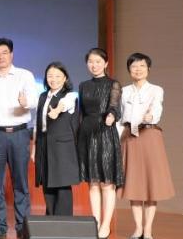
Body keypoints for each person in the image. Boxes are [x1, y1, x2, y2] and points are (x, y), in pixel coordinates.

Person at [0, 37, 38, 239]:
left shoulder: (25, 75)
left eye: (4, 52)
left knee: (20, 182)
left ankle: (22, 225)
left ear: (11, 54)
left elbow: (34, 100)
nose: (1, 57)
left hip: (19, 134)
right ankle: (0, 226)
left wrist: (25, 102)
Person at [119, 53, 174, 239]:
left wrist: (150, 116)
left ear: (148, 68)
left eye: (142, 66)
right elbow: (121, 117)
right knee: (134, 184)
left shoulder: (156, 90)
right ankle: (138, 228)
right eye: (134, 66)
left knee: (152, 185)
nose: (138, 69)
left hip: (150, 135)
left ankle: (148, 229)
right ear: (129, 70)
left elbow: (157, 109)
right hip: (130, 137)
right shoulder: (124, 91)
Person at [77, 48, 123, 239]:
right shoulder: (83, 85)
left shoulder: (113, 84)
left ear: (105, 63)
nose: (94, 65)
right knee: (93, 183)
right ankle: (95, 222)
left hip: (105, 132)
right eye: (90, 62)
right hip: (86, 134)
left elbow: (114, 106)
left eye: (97, 61)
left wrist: (111, 115)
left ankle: (106, 224)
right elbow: (80, 113)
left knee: (107, 183)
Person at [31, 62, 80, 216]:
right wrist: (34, 148)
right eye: (50, 76)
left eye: (58, 76)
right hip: (44, 143)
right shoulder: (43, 96)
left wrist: (57, 110)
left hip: (62, 147)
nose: (53, 79)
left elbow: (64, 104)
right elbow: (37, 124)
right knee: (47, 183)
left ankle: (63, 223)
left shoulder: (70, 95)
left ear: (65, 78)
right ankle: (51, 220)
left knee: (62, 184)